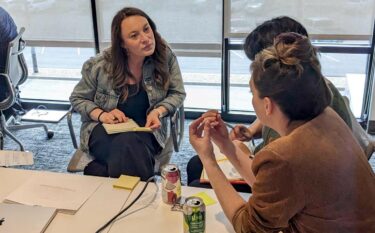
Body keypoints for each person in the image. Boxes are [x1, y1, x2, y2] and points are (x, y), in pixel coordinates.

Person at [189, 32, 375, 233]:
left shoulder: (284, 155)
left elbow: (247, 227)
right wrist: (225, 145)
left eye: (253, 93)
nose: (252, 100)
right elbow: (276, 187)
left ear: (267, 105)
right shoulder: (326, 117)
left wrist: (208, 160)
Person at [187, 16, 353, 191]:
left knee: (199, 183)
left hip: (280, 181)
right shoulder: (303, 87)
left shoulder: (307, 117)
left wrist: (238, 154)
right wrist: (250, 132)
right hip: (268, 167)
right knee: (195, 165)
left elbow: (269, 184)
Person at [70, 7, 186, 180]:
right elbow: (77, 98)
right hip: (102, 130)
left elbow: (177, 93)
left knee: (128, 146)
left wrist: (158, 111)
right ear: (122, 43)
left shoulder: (165, 55)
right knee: (128, 144)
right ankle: (145, 193)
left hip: (148, 130)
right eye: (134, 35)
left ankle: (102, 172)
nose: (146, 38)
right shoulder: (99, 65)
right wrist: (103, 115)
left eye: (146, 29)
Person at [231, 16, 352, 153]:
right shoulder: (308, 86)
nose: (257, 72)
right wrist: (252, 130)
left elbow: (271, 167)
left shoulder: (304, 113)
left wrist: (234, 152)